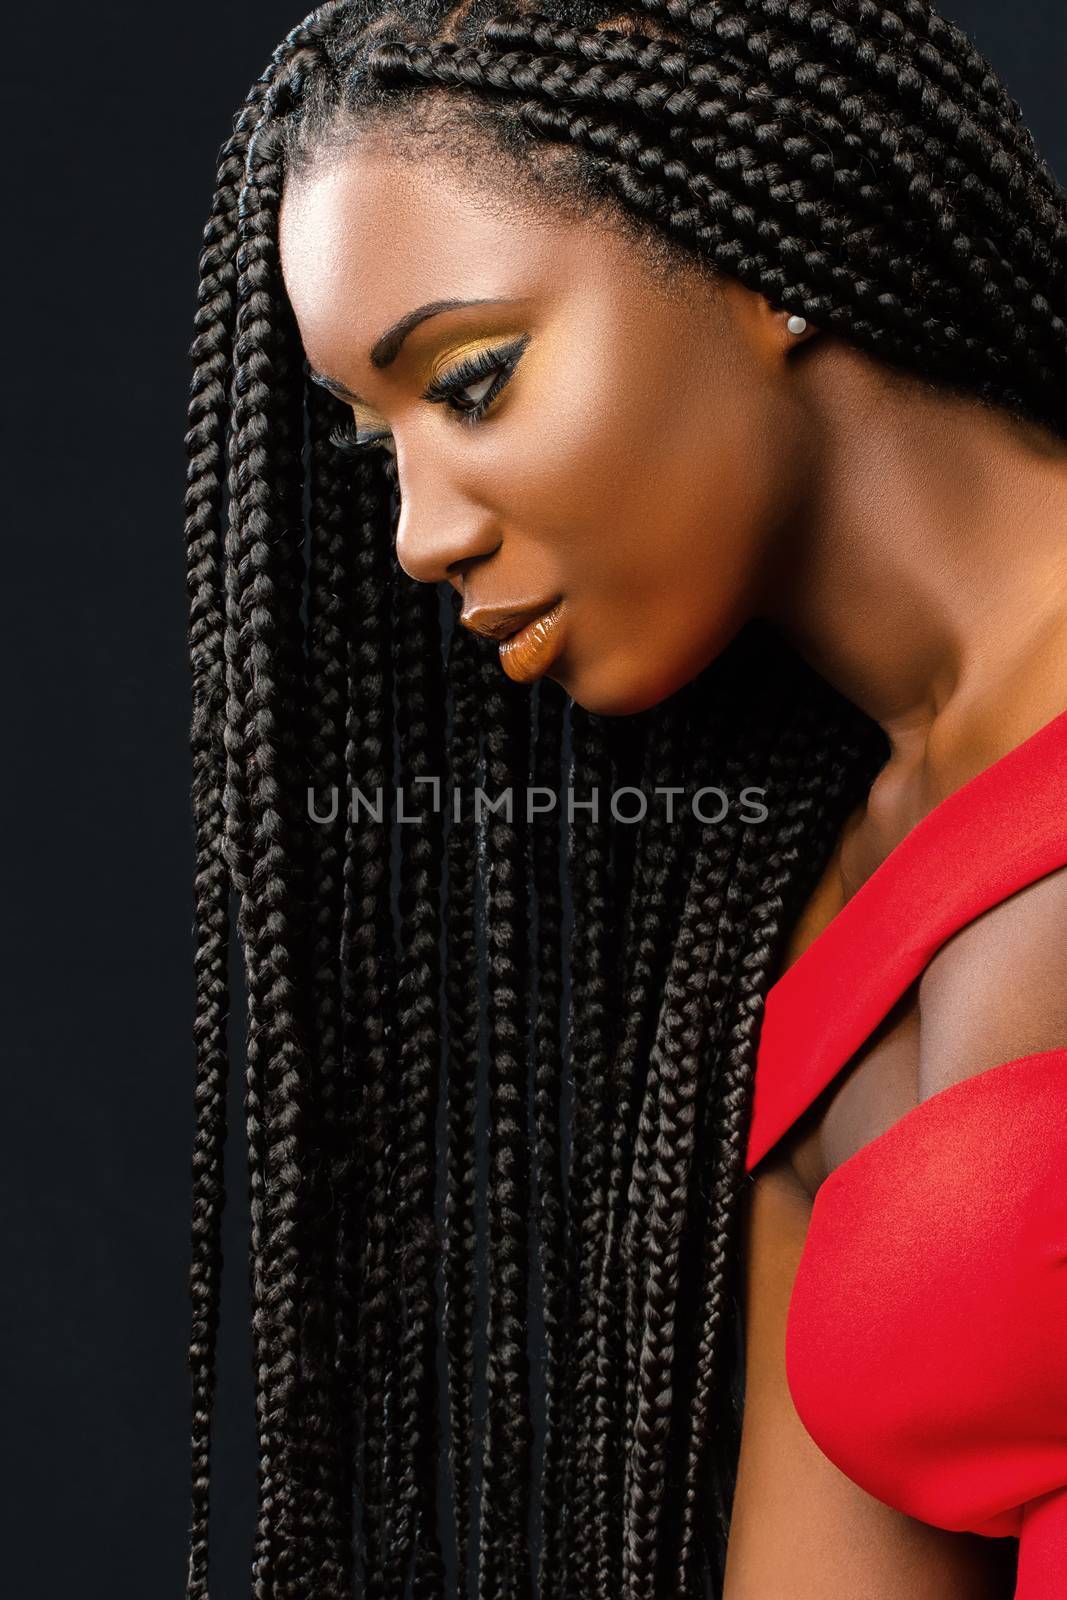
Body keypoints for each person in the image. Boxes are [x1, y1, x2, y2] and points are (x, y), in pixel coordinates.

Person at [182, 1, 1067, 1595]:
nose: (415, 537)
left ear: (760, 254)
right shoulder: (811, 974)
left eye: (470, 381)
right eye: (373, 445)